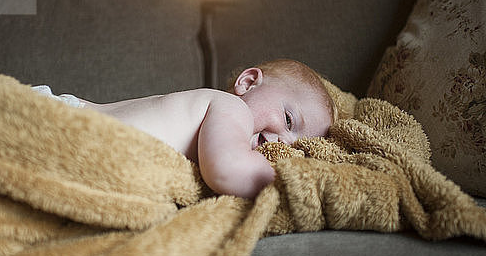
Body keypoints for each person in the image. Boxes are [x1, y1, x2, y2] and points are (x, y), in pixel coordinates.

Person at [33, 59, 336, 199]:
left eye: (296, 146)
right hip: (60, 124)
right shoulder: (232, 109)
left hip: (70, 118)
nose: (284, 142)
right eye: (288, 120)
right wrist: (298, 181)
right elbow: (227, 168)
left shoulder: (216, 125)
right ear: (247, 83)